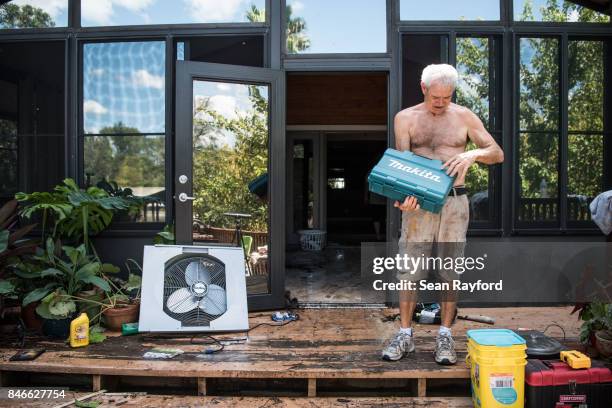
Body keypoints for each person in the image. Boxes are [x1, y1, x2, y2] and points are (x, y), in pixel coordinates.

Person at [381, 64, 504, 365]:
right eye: (436, 97)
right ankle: (405, 335)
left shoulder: (464, 117)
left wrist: (473, 154)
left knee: (450, 271)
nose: (441, 103)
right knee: (409, 271)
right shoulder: (405, 119)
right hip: (420, 205)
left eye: (447, 97)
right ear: (423, 89)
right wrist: (403, 199)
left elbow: (497, 153)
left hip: (454, 202)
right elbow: (402, 167)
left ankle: (445, 336)